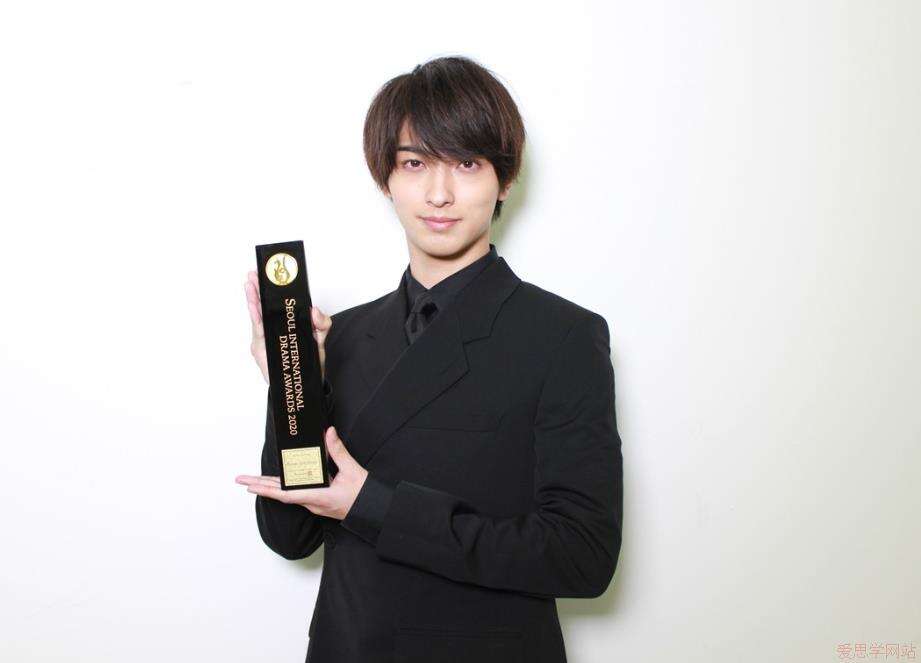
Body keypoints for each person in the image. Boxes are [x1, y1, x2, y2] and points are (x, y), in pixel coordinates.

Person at [236, 55, 623, 663]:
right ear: (386, 179)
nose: (439, 194)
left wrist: (375, 506)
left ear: (504, 179)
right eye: (414, 164)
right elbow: (291, 536)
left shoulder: (563, 336)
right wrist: (293, 383)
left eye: (466, 164)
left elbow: (583, 557)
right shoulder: (344, 335)